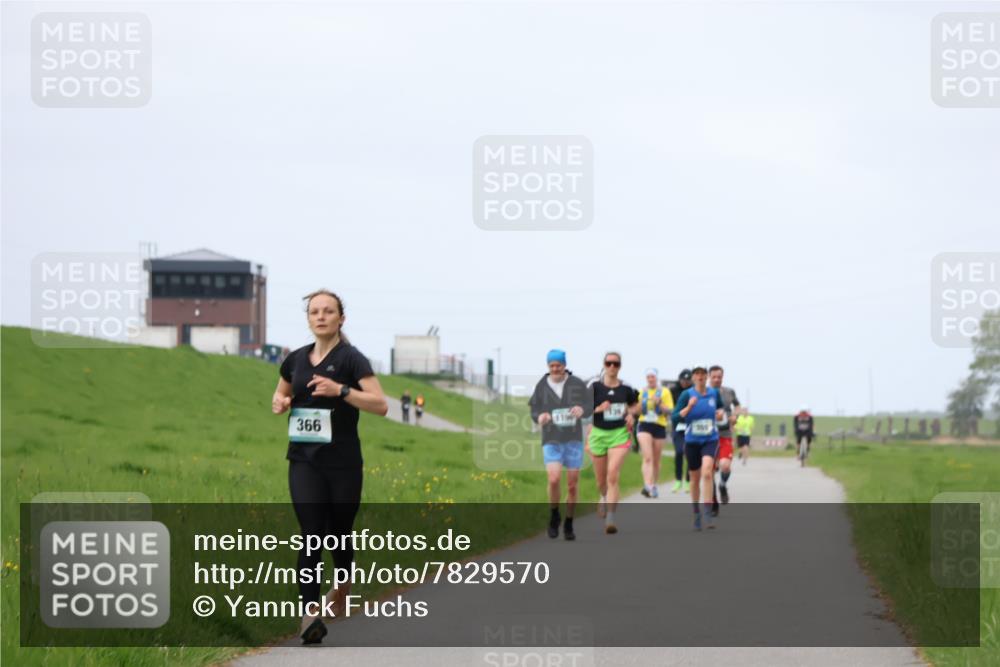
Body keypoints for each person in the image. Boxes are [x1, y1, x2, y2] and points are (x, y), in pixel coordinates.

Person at [271, 289, 389, 644]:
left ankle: (343, 582)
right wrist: (280, 401)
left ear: (341, 318)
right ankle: (309, 616)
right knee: (311, 535)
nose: (321, 316)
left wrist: (340, 391)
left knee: (339, 532)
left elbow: (380, 404)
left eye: (328, 311)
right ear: (308, 319)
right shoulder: (295, 360)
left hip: (343, 464)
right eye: (314, 312)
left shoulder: (352, 359)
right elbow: (280, 393)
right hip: (304, 461)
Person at [528, 349, 593, 540]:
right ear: (548, 366)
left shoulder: (576, 384)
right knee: (554, 479)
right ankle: (554, 514)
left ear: (564, 365)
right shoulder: (542, 385)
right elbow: (534, 409)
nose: (555, 369)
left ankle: (569, 523)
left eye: (558, 365)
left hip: (573, 440)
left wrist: (582, 409)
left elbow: (589, 406)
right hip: (551, 438)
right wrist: (539, 416)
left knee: (572, 485)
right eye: (551, 365)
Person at [587, 351, 638, 534]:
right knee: (601, 481)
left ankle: (610, 518)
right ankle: (603, 496)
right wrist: (598, 409)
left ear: (620, 366)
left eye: (615, 364)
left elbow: (635, 405)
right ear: (604, 364)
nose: (612, 367)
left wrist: (632, 415)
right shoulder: (594, 388)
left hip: (619, 434)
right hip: (598, 434)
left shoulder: (626, 389)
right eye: (609, 363)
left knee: (613, 474)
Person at [674, 366, 724, 531]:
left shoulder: (714, 393)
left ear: (707, 377)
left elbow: (721, 408)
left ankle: (708, 512)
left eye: (703, 374)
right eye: (697, 374)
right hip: (692, 440)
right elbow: (675, 416)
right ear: (693, 378)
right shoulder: (686, 394)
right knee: (694, 479)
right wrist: (688, 407)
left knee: (707, 472)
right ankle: (696, 512)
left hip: (710, 438)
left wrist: (720, 415)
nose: (700, 377)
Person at [636, 368, 674, 498]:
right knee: (647, 457)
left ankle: (653, 484)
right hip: (644, 424)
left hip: (659, 425)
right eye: (648, 377)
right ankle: (648, 485)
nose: (650, 379)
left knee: (656, 460)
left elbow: (670, 411)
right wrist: (640, 404)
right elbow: (636, 410)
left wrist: (660, 403)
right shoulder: (642, 392)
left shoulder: (665, 392)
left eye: (652, 377)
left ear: (656, 378)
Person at [708, 365, 740, 510]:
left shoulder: (729, 392)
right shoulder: (704, 393)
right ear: (709, 377)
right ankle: (713, 499)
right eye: (714, 377)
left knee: (725, 466)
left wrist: (735, 416)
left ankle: (722, 485)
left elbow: (737, 406)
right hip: (708, 436)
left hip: (725, 434)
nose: (716, 379)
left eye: (719, 377)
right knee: (709, 470)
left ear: (722, 377)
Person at [666, 369, 693, 493]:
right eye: (683, 380)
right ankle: (678, 480)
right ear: (679, 379)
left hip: (691, 426)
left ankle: (688, 481)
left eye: (688, 380)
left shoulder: (694, 391)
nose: (685, 383)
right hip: (677, 425)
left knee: (689, 453)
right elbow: (668, 405)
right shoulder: (672, 390)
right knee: (679, 452)